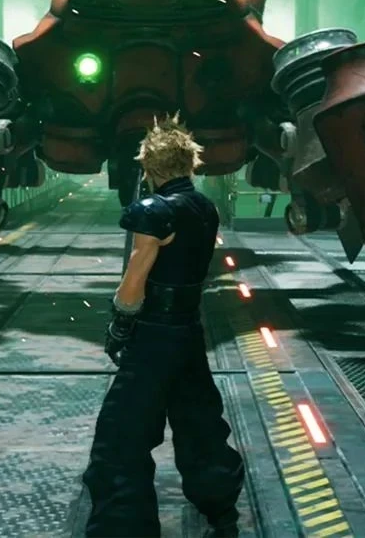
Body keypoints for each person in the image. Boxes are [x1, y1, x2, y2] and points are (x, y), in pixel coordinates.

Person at [82, 116, 245, 538]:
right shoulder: (205, 208)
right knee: (200, 425)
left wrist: (121, 320)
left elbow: (135, 278)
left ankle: (124, 529)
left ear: (149, 166)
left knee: (121, 439)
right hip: (189, 329)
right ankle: (222, 510)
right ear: (189, 163)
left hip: (153, 335)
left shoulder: (153, 211)